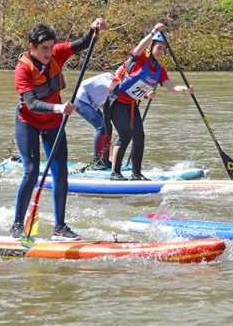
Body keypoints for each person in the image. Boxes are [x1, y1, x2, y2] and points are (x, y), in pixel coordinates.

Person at [10, 17, 108, 241]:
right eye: (44, 48)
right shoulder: (22, 70)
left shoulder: (56, 53)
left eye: (51, 47)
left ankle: (60, 227)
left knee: (61, 173)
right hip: (29, 123)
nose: (49, 52)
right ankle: (17, 224)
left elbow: (83, 43)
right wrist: (59, 107)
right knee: (32, 171)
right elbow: (32, 103)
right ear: (32, 47)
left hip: (54, 124)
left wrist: (94, 29)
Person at [104, 22, 194, 181]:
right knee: (126, 134)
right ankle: (115, 173)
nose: (161, 51)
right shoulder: (140, 58)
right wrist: (154, 32)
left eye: (164, 49)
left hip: (131, 104)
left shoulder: (160, 70)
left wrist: (187, 90)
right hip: (116, 100)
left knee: (139, 135)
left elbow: (172, 87)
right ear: (151, 47)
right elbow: (140, 46)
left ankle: (136, 174)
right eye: (158, 47)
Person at [75, 72, 115, 169]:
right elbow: (112, 87)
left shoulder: (116, 81)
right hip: (80, 101)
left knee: (108, 128)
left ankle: (105, 160)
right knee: (101, 127)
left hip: (92, 104)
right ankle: (95, 162)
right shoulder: (109, 78)